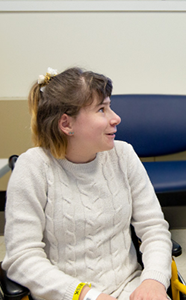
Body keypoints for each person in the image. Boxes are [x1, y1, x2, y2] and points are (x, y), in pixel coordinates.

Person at [2, 67, 172, 300]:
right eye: (101, 109)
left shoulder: (123, 155)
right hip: (66, 294)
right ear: (66, 124)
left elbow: (154, 228)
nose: (115, 118)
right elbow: (22, 257)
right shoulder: (33, 168)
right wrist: (88, 295)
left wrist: (153, 281)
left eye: (109, 106)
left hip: (128, 288)